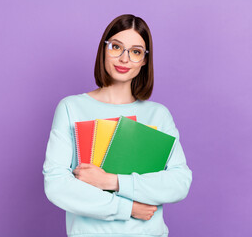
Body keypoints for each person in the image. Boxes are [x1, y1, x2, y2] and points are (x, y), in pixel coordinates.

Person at [42, 14, 192, 237]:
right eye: (116, 47)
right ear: (103, 49)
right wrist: (128, 208)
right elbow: (57, 185)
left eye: (136, 52)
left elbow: (179, 182)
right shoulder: (71, 107)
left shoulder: (157, 115)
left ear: (144, 61)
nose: (124, 58)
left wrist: (111, 181)